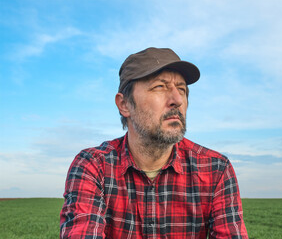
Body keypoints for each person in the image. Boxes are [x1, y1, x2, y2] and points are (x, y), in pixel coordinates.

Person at [60, 47, 248, 238]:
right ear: (124, 105)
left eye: (181, 89)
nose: (177, 100)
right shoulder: (93, 166)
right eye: (159, 87)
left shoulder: (215, 169)